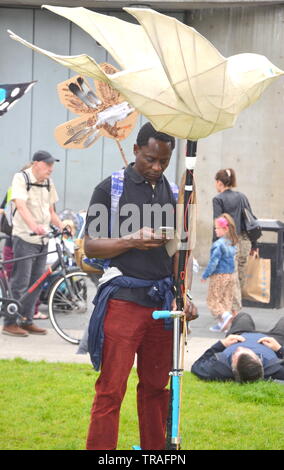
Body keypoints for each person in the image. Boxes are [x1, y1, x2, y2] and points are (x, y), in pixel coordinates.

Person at [84, 122, 196, 450]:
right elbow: (90, 246)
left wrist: (182, 292)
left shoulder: (175, 193)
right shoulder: (110, 188)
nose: (156, 167)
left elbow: (180, 252)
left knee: (156, 390)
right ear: (135, 151)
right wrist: (130, 240)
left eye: (163, 160)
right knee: (110, 389)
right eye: (150, 159)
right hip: (123, 301)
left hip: (162, 304)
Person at [2, 150, 63, 337]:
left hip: (42, 239)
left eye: (52, 165)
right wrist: (34, 226)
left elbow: (51, 211)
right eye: (48, 165)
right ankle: (10, 323)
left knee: (37, 281)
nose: (51, 169)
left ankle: (26, 320)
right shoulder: (21, 178)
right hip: (25, 237)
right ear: (36, 163)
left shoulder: (48, 182)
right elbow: (20, 205)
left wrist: (63, 227)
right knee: (21, 281)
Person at [213, 168, 258, 315]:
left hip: (229, 243)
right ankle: (233, 311)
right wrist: (255, 245)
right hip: (245, 241)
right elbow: (251, 221)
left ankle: (234, 313)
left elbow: (219, 223)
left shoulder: (218, 199)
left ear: (219, 182)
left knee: (231, 279)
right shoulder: (242, 197)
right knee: (239, 277)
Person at [191, 312, 284, 382]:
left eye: (235, 353)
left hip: (238, 335)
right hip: (274, 340)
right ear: (259, 361)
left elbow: (196, 366)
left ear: (232, 366)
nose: (240, 348)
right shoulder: (274, 369)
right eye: (247, 351)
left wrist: (221, 344)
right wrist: (279, 349)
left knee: (243, 316)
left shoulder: (218, 369)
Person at [201, 213, 238, 332]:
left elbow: (213, 262)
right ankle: (223, 325)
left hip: (219, 275)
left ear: (225, 229)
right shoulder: (232, 242)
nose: (215, 230)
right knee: (226, 299)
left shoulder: (218, 245)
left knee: (213, 299)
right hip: (230, 275)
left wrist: (205, 275)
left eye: (217, 228)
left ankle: (225, 316)